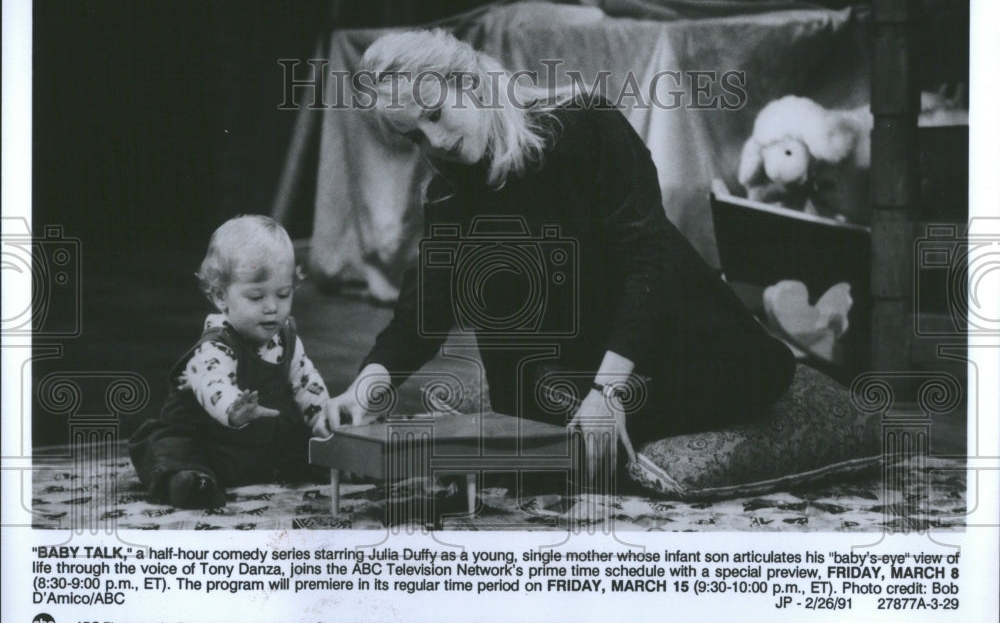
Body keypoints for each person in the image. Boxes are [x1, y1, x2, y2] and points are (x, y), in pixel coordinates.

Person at [321, 28, 795, 485]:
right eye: (416, 136)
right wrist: (366, 389)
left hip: (656, 325)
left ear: (472, 83)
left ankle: (603, 421)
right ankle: (590, 430)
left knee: (760, 371)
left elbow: (649, 257)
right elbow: (425, 308)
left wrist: (609, 392)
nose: (437, 143)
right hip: (568, 362)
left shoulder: (585, 122)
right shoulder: (448, 193)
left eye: (437, 114)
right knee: (532, 448)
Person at [129, 215, 331, 508]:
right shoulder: (215, 345)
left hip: (257, 445)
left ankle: (335, 462)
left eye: (283, 294)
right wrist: (234, 409)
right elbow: (214, 386)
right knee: (169, 449)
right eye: (256, 296)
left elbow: (306, 382)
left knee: (299, 436)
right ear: (221, 296)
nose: (272, 307)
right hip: (209, 442)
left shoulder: (286, 339)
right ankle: (190, 484)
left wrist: (322, 416)